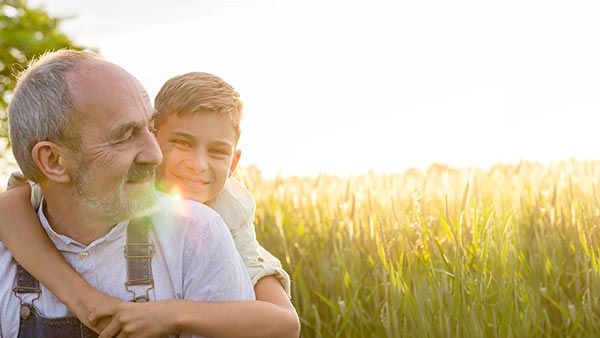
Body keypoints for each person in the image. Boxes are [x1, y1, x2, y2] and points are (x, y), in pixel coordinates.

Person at [0, 69, 301, 336]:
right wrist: (85, 300)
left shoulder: (224, 216)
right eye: (182, 143)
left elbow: (284, 322)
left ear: (234, 162)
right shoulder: (92, 180)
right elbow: (10, 207)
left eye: (217, 152)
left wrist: (171, 313)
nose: (198, 165)